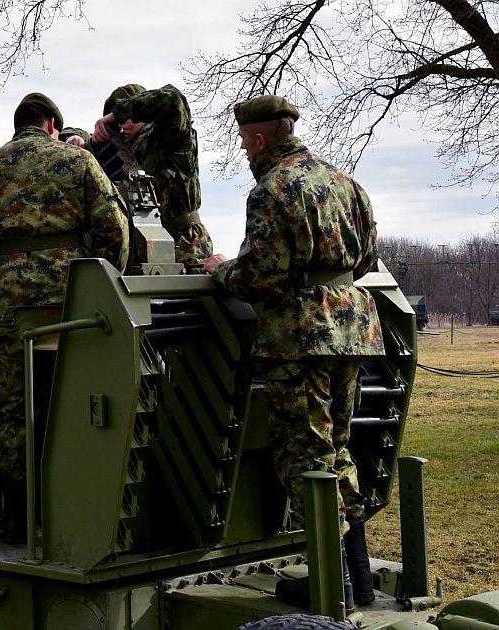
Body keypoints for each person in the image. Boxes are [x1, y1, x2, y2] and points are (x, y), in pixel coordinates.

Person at [201, 95, 385, 612]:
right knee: (336, 447)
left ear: (259, 139)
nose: (242, 148)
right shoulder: (347, 184)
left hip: (299, 338)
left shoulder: (271, 190)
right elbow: (368, 258)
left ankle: (333, 584)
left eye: (243, 140)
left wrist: (219, 267)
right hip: (352, 329)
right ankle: (360, 577)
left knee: (304, 458)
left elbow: (260, 275)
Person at [0, 92, 129, 543]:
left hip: (12, 313)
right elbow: (114, 230)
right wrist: (101, 283)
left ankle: (18, 519)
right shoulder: (77, 162)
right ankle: (81, 512)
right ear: (52, 124)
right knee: (83, 403)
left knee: (16, 409)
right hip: (75, 307)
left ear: (18, 125)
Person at [90, 84, 213, 265]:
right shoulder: (119, 150)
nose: (123, 123)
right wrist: (77, 138)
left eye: (129, 116)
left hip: (183, 247)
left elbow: (173, 99)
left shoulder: (167, 138)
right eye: (118, 121)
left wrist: (119, 113)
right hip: (140, 249)